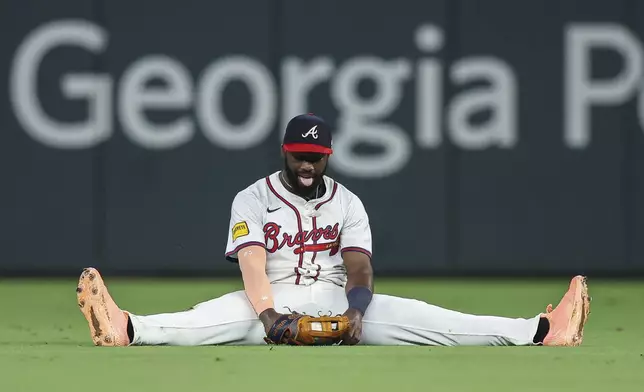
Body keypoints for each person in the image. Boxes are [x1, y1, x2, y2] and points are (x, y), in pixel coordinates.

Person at [76, 113, 590, 347]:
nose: (308, 163)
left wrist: (358, 312)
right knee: (209, 319)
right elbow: (253, 262)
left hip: (335, 299)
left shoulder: (348, 201)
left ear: (328, 157)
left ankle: (543, 331)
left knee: (433, 321)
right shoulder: (252, 198)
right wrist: (270, 313)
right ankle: (127, 327)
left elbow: (361, 265)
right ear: (285, 150)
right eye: (302, 154)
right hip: (270, 297)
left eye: (318, 157)